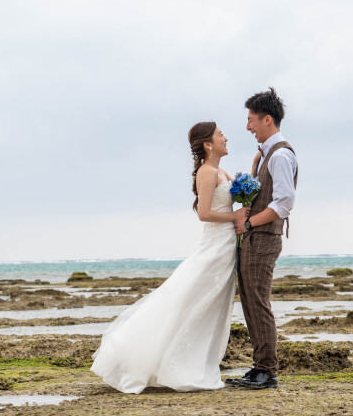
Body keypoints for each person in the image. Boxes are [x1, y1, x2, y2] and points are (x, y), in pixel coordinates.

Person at [91, 122, 248, 394]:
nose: (226, 137)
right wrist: (235, 216)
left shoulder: (222, 170)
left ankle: (197, 364)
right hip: (214, 245)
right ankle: (164, 364)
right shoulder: (207, 172)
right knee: (189, 300)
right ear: (208, 144)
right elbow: (204, 213)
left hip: (225, 246)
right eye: (220, 134)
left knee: (211, 307)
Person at [226, 87, 298, 390]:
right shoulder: (268, 154)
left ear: (267, 119)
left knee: (258, 302)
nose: (247, 126)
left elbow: (284, 203)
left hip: (264, 237)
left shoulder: (280, 155)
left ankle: (267, 370)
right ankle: (259, 367)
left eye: (251, 119)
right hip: (256, 237)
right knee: (251, 303)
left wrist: (249, 222)